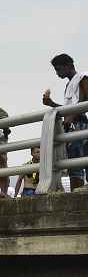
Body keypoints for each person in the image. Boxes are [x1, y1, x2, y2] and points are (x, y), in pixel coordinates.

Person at [43, 53, 88, 192]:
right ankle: (77, 195)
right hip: (71, 126)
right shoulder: (69, 84)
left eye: (59, 69)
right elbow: (68, 110)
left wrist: (72, 115)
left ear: (68, 66)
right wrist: (51, 103)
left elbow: (85, 101)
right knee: (74, 166)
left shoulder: (82, 77)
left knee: (81, 161)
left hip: (80, 124)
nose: (57, 73)